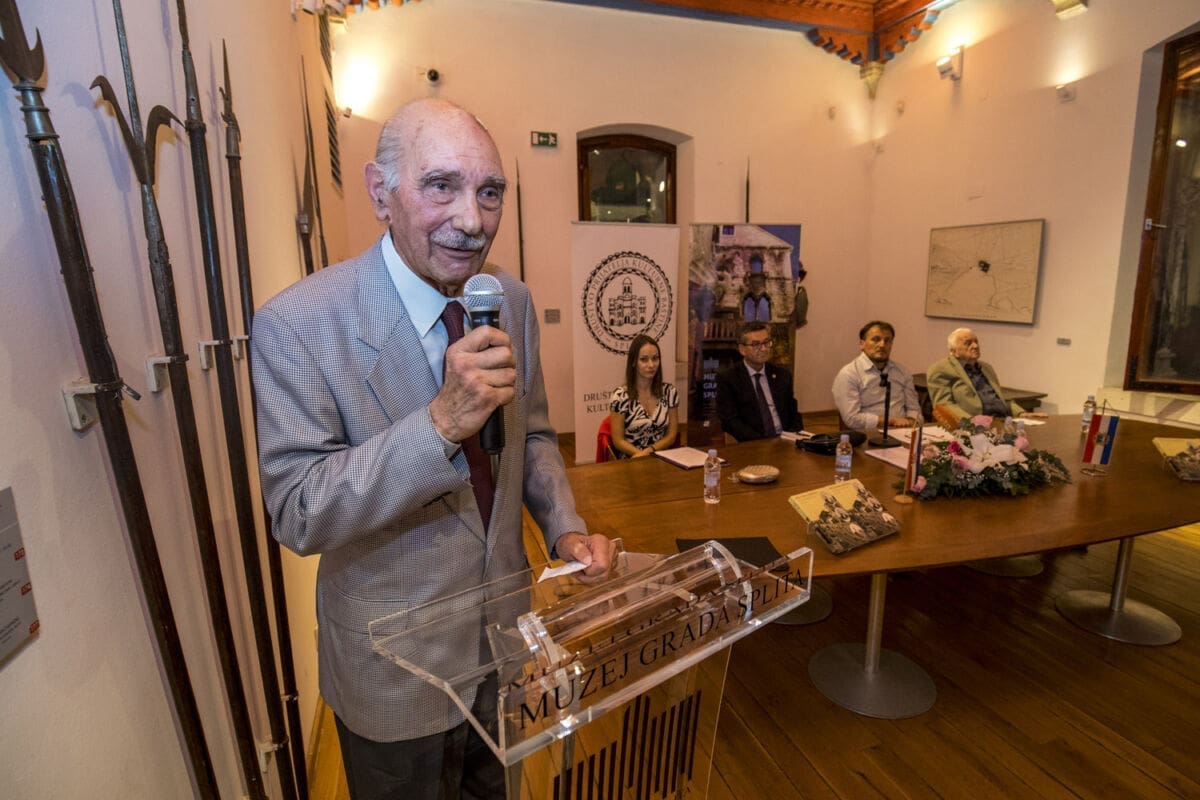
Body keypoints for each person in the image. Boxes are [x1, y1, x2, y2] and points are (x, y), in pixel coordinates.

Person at [251, 98, 612, 800]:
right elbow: (298, 512)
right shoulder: (298, 324)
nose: (472, 220)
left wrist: (563, 528)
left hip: (503, 649)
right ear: (379, 192)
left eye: (490, 192)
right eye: (441, 185)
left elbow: (534, 433)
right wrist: (441, 423)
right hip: (393, 674)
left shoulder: (508, 299)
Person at [926, 327, 1046, 421]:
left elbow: (1001, 398)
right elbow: (943, 406)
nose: (975, 346)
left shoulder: (986, 368)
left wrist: (1021, 413)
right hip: (972, 426)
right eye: (968, 343)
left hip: (1001, 421)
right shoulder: (940, 369)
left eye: (976, 342)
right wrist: (971, 422)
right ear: (954, 351)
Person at [716, 321, 803, 441]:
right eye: (756, 344)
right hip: (754, 442)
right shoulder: (729, 378)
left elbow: (794, 414)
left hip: (785, 440)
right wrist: (762, 443)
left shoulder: (782, 374)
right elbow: (730, 421)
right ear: (742, 349)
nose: (763, 349)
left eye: (766, 342)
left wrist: (792, 437)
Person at [831, 320, 922, 431]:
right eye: (876, 339)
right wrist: (891, 421)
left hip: (903, 431)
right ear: (862, 344)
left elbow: (914, 410)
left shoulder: (902, 372)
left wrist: (911, 421)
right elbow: (851, 419)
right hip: (868, 435)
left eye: (887, 340)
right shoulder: (849, 374)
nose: (882, 345)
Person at [609, 334, 679, 458]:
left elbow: (672, 435)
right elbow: (618, 440)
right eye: (644, 359)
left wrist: (650, 451)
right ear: (633, 362)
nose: (651, 365)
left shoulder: (670, 392)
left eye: (655, 358)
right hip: (631, 459)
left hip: (661, 458)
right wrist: (640, 455)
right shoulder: (620, 396)